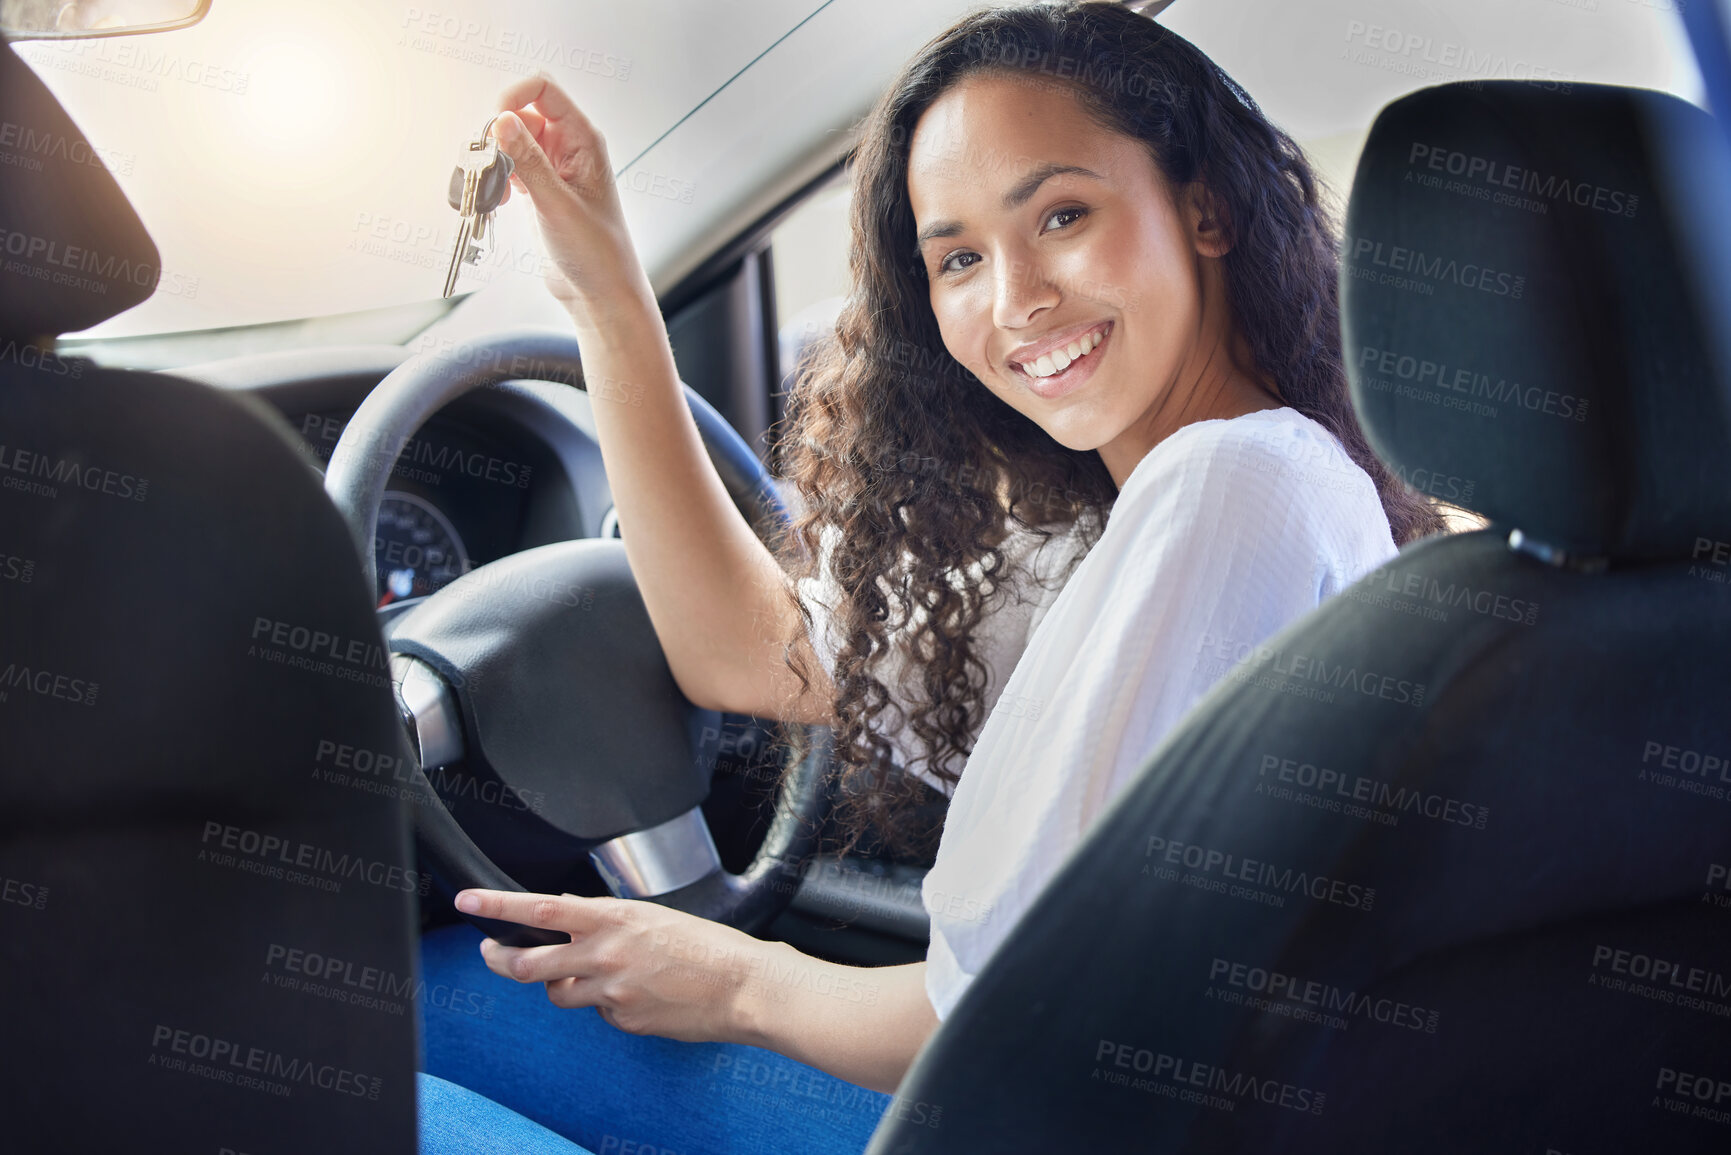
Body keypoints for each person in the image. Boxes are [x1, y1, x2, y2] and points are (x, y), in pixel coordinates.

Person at [416, 4, 1442, 1152]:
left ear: (1203, 208)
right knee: (442, 998)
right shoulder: (1162, 515)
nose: (1014, 301)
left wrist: (738, 984)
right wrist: (606, 291)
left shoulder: (1230, 483)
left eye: (1062, 214)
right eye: (958, 256)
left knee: (390, 1038)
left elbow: (1019, 1008)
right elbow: (753, 655)